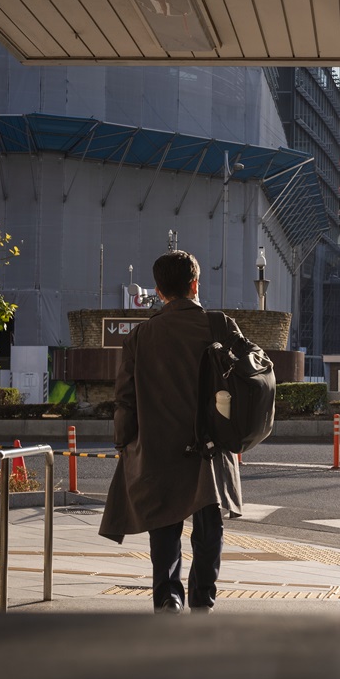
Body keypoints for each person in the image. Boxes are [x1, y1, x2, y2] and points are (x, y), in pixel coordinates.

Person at [99, 251, 243, 614]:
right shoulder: (220, 325)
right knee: (209, 526)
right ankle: (202, 599)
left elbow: (125, 401)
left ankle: (168, 596)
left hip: (158, 446)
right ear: (195, 284)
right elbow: (249, 380)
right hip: (209, 446)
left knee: (163, 524)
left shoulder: (140, 337)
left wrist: (124, 443)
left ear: (160, 292)